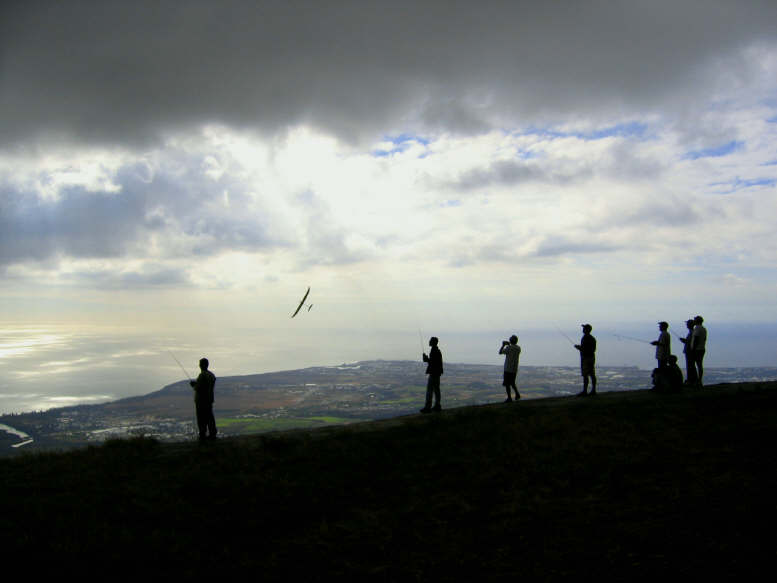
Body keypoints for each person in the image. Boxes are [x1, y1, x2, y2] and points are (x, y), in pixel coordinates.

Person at [190, 357, 217, 441]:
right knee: (209, 417)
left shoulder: (202, 375)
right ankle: (213, 434)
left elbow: (199, 388)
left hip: (201, 401)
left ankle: (203, 435)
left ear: (201, 365)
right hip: (209, 400)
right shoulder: (211, 375)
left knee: (201, 419)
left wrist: (194, 385)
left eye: (200, 364)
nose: (199, 365)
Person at [420, 337, 443, 413]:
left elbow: (433, 363)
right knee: (436, 390)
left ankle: (428, 407)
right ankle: (437, 405)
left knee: (429, 390)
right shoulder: (436, 351)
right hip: (437, 373)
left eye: (430, 341)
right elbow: (434, 362)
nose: (429, 342)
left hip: (433, 373)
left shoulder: (434, 351)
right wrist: (427, 359)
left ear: (433, 342)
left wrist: (426, 359)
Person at [574, 324, 597, 397]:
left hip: (586, 358)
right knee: (591, 374)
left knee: (586, 375)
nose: (583, 329)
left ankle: (585, 391)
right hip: (590, 358)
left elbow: (588, 350)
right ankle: (592, 390)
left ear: (587, 330)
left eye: (584, 328)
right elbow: (592, 349)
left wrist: (579, 348)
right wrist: (580, 348)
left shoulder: (587, 338)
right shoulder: (591, 338)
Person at [499, 335, 521, 402]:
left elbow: (500, 352)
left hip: (508, 368)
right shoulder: (518, 348)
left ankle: (509, 398)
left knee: (507, 384)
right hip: (514, 369)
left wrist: (503, 345)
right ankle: (517, 394)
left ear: (511, 340)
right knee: (512, 383)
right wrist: (509, 345)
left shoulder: (509, 348)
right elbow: (513, 347)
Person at [679, 319, 698, 386]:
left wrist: (684, 341)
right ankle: (692, 380)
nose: (686, 325)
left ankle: (691, 380)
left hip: (689, 351)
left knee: (690, 366)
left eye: (687, 324)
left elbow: (690, 342)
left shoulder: (692, 332)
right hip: (689, 351)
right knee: (691, 366)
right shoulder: (692, 332)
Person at [690, 315, 707, 387]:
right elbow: (704, 339)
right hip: (702, 348)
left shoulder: (697, 328)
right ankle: (699, 380)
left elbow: (696, 339)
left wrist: (693, 349)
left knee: (695, 365)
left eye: (694, 320)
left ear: (697, 321)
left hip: (697, 350)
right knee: (699, 365)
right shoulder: (703, 329)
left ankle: (697, 381)